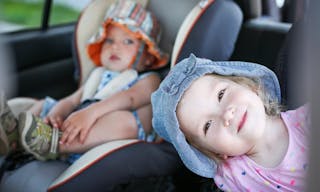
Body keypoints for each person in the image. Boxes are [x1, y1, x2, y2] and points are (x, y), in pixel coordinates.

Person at [0, 0, 168, 162]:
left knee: (124, 121)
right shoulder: (98, 75)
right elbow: (73, 100)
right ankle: (15, 136)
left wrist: (91, 113)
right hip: (76, 124)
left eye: (128, 41)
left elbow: (130, 99)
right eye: (109, 40)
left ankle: (56, 146)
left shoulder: (149, 79)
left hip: (107, 142)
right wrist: (55, 116)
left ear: (148, 56)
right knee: (45, 103)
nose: (115, 47)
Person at [152, 54, 310, 191]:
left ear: (250, 86)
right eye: (207, 125)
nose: (226, 114)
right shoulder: (232, 177)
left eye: (221, 95)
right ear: (215, 152)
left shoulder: (306, 120)